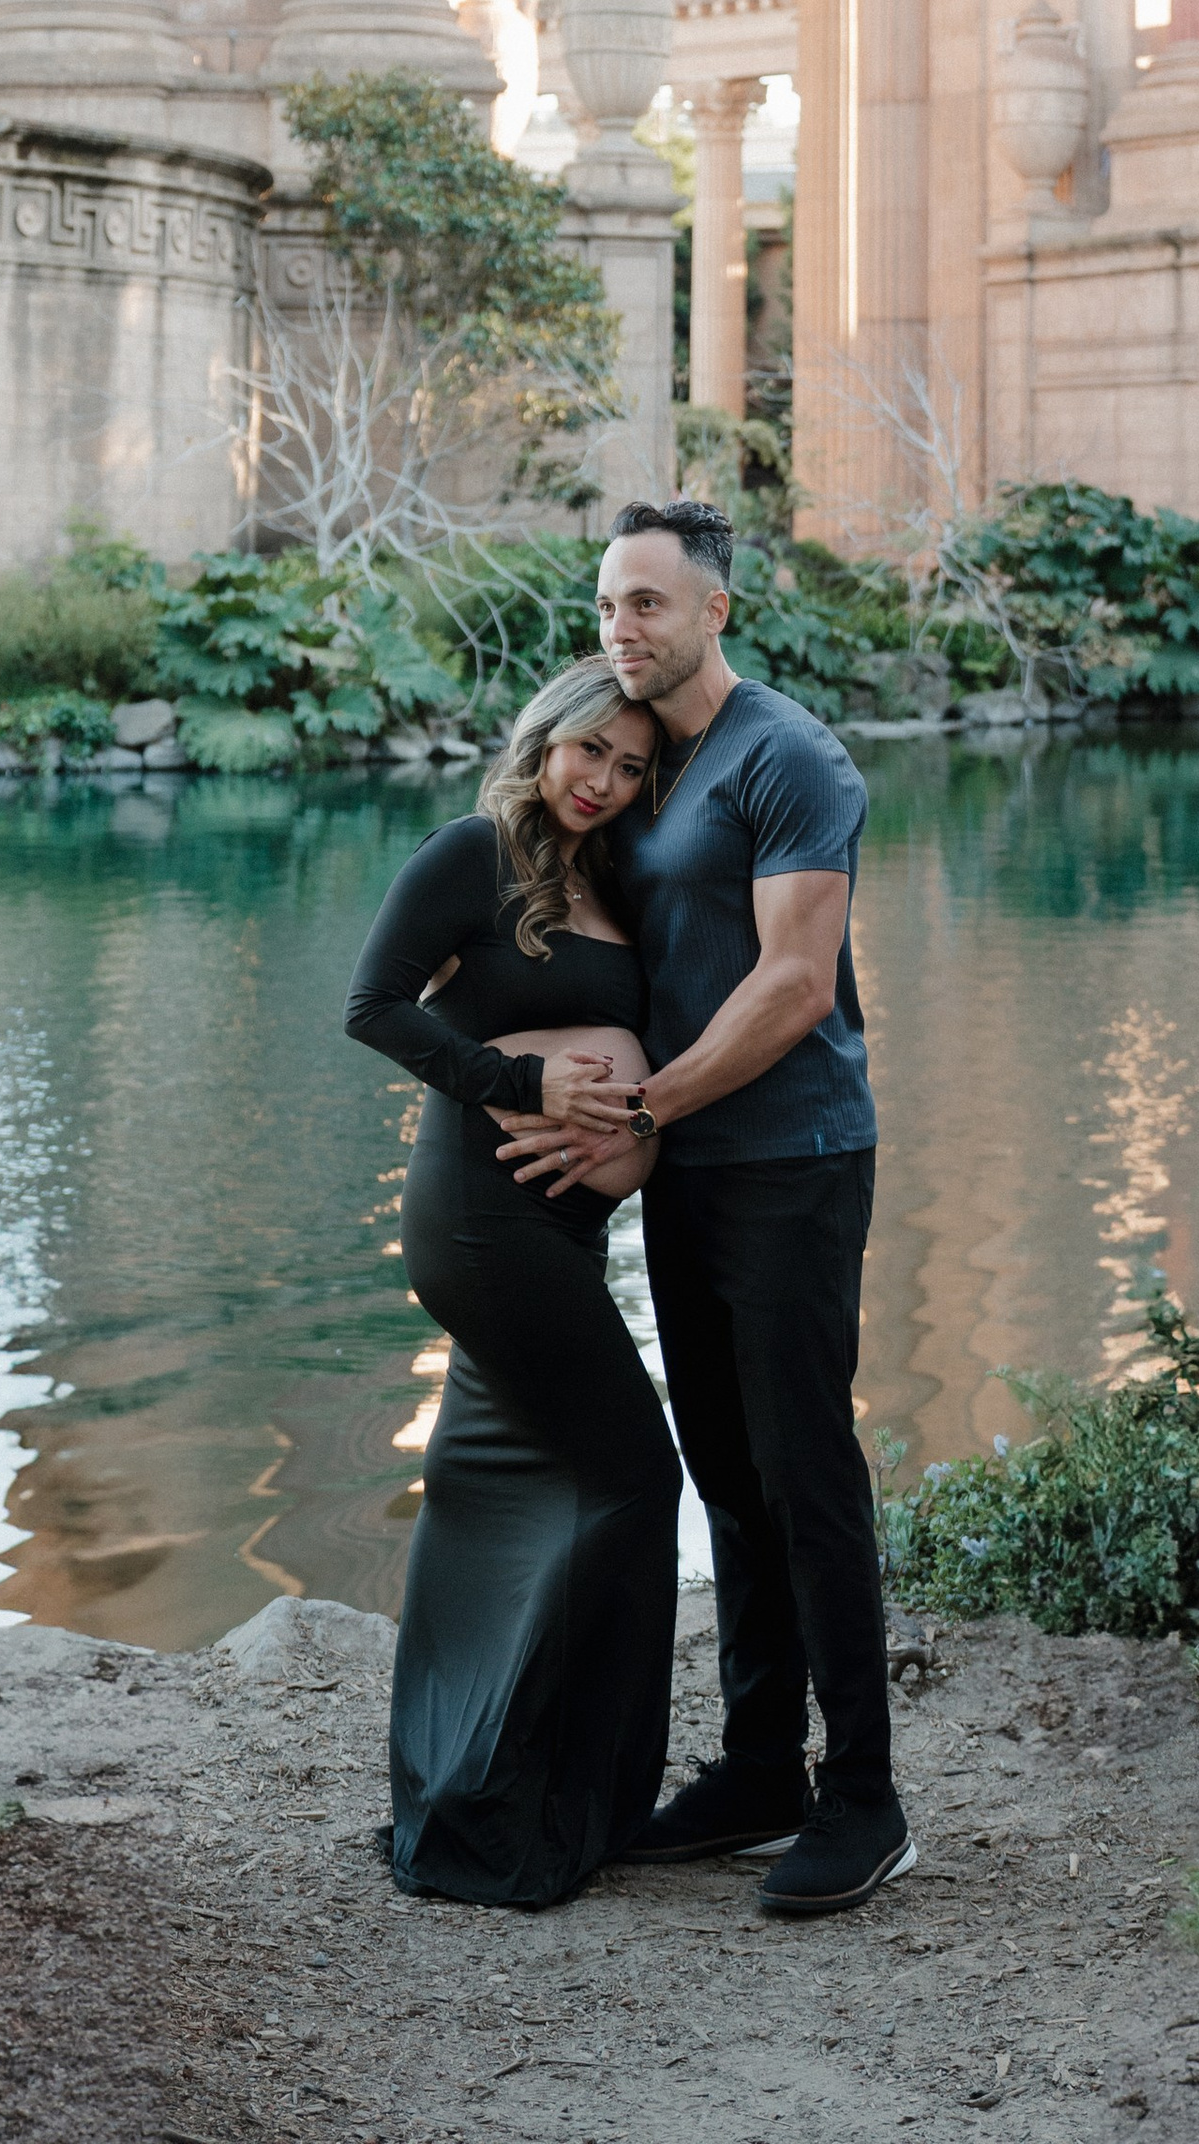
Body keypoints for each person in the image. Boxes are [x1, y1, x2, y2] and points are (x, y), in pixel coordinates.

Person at [495, 499, 912, 1918]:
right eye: (609, 604)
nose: (622, 628)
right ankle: (756, 1769)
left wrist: (645, 1108)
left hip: (791, 1161)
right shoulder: (633, 766)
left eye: (651, 605)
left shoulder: (790, 759)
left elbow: (796, 985)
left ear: (717, 613)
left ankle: (863, 1795)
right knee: (728, 1471)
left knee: (805, 1471)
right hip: (687, 1170)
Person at [343, 659, 682, 1907]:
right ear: (545, 741)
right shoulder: (470, 853)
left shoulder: (609, 881)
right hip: (481, 1220)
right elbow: (372, 1009)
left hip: (560, 1233)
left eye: (632, 766)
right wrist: (521, 1083)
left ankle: (468, 1796)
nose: (604, 781)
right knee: (634, 1477)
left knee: (488, 1491)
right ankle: (563, 1796)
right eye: (590, 751)